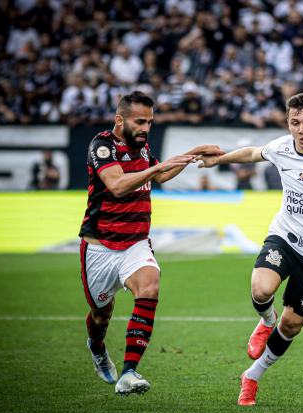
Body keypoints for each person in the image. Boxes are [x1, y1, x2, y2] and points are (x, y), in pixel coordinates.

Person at [196, 93, 303, 406]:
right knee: (261, 288)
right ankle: (266, 320)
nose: (301, 129)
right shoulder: (282, 147)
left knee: (293, 324)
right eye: (295, 122)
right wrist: (220, 159)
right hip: (285, 236)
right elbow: (252, 154)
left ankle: (252, 376)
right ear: (288, 123)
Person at [79, 91, 223, 396]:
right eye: (139, 121)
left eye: (150, 121)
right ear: (120, 120)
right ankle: (97, 346)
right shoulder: (102, 145)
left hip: (135, 243)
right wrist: (157, 168)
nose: (145, 127)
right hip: (100, 248)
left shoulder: (141, 149)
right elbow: (117, 186)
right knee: (101, 315)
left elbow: (162, 175)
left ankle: (129, 373)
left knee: (150, 288)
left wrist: (193, 154)